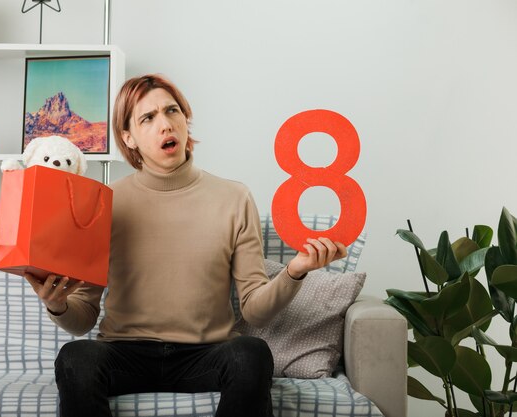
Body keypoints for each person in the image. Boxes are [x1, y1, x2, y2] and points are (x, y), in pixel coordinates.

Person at [24, 74, 347, 417]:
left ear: (184, 118)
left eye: (172, 111)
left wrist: (294, 272)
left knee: (252, 353)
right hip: (125, 353)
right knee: (75, 358)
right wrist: (58, 306)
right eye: (148, 118)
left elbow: (254, 310)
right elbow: (83, 318)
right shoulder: (105, 202)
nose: (165, 124)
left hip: (206, 354)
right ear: (128, 137)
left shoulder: (234, 197)